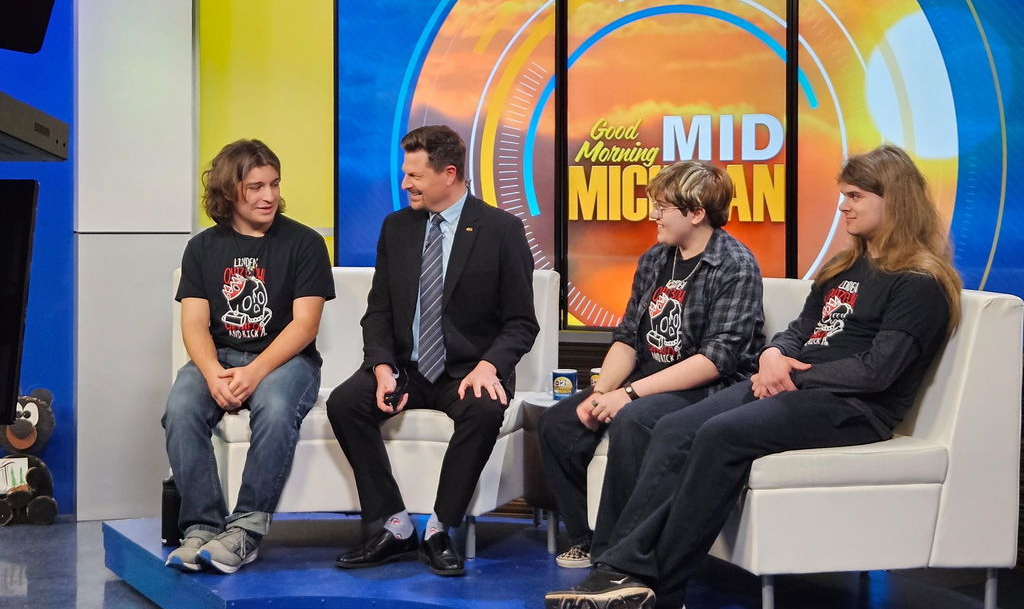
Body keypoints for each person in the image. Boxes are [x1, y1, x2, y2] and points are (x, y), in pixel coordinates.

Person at [545, 145, 962, 609]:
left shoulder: (920, 281)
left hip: (853, 406)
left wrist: (793, 376)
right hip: (792, 385)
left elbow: (877, 372)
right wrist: (773, 358)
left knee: (719, 434)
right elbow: (801, 329)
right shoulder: (844, 266)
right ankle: (619, 569)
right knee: (671, 426)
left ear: (895, 201)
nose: (843, 205)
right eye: (843, 194)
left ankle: (659, 585)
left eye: (856, 196)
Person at [327, 124, 539, 576]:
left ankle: (441, 528)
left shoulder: (501, 229)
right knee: (346, 403)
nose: (404, 184)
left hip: (467, 371)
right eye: (405, 174)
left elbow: (521, 322)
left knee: (483, 411)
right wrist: (381, 366)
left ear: (449, 173)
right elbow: (378, 311)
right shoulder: (397, 227)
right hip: (407, 368)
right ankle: (394, 524)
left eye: (414, 176)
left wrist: (489, 366)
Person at [538, 160, 764, 569]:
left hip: (708, 387)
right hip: (648, 376)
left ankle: (616, 554)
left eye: (662, 207)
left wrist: (629, 395)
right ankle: (585, 538)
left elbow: (718, 359)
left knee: (636, 419)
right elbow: (628, 338)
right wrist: (604, 392)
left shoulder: (735, 264)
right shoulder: (656, 259)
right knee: (559, 422)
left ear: (696, 213)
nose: (652, 215)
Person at [163, 139, 335, 575]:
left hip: (284, 360)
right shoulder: (202, 249)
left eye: (274, 184)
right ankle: (201, 528)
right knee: (181, 407)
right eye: (256, 186)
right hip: (219, 355)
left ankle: (245, 530)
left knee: (276, 409)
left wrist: (255, 372)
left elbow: (305, 325)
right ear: (229, 192)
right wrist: (214, 373)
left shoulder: (306, 243)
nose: (269, 196)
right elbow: (194, 324)